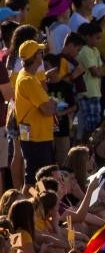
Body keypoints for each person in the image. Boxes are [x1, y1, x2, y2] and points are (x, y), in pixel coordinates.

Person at [14, 41, 56, 181]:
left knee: (38, 178)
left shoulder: (28, 76)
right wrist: (52, 103)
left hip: (37, 136)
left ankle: (34, 201)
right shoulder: (28, 80)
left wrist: (50, 103)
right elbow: (48, 109)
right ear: (35, 56)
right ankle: (25, 201)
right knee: (34, 178)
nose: (42, 55)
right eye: (40, 52)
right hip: (36, 137)